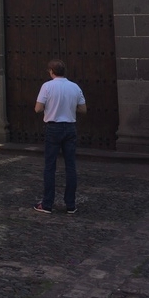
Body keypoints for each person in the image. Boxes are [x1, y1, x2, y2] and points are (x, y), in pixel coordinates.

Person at [33, 59, 87, 214]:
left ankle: (47, 204)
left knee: (50, 167)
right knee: (71, 166)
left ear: (51, 71)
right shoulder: (74, 87)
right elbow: (83, 109)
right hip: (70, 127)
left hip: (53, 128)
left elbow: (38, 109)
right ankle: (71, 204)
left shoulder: (47, 86)